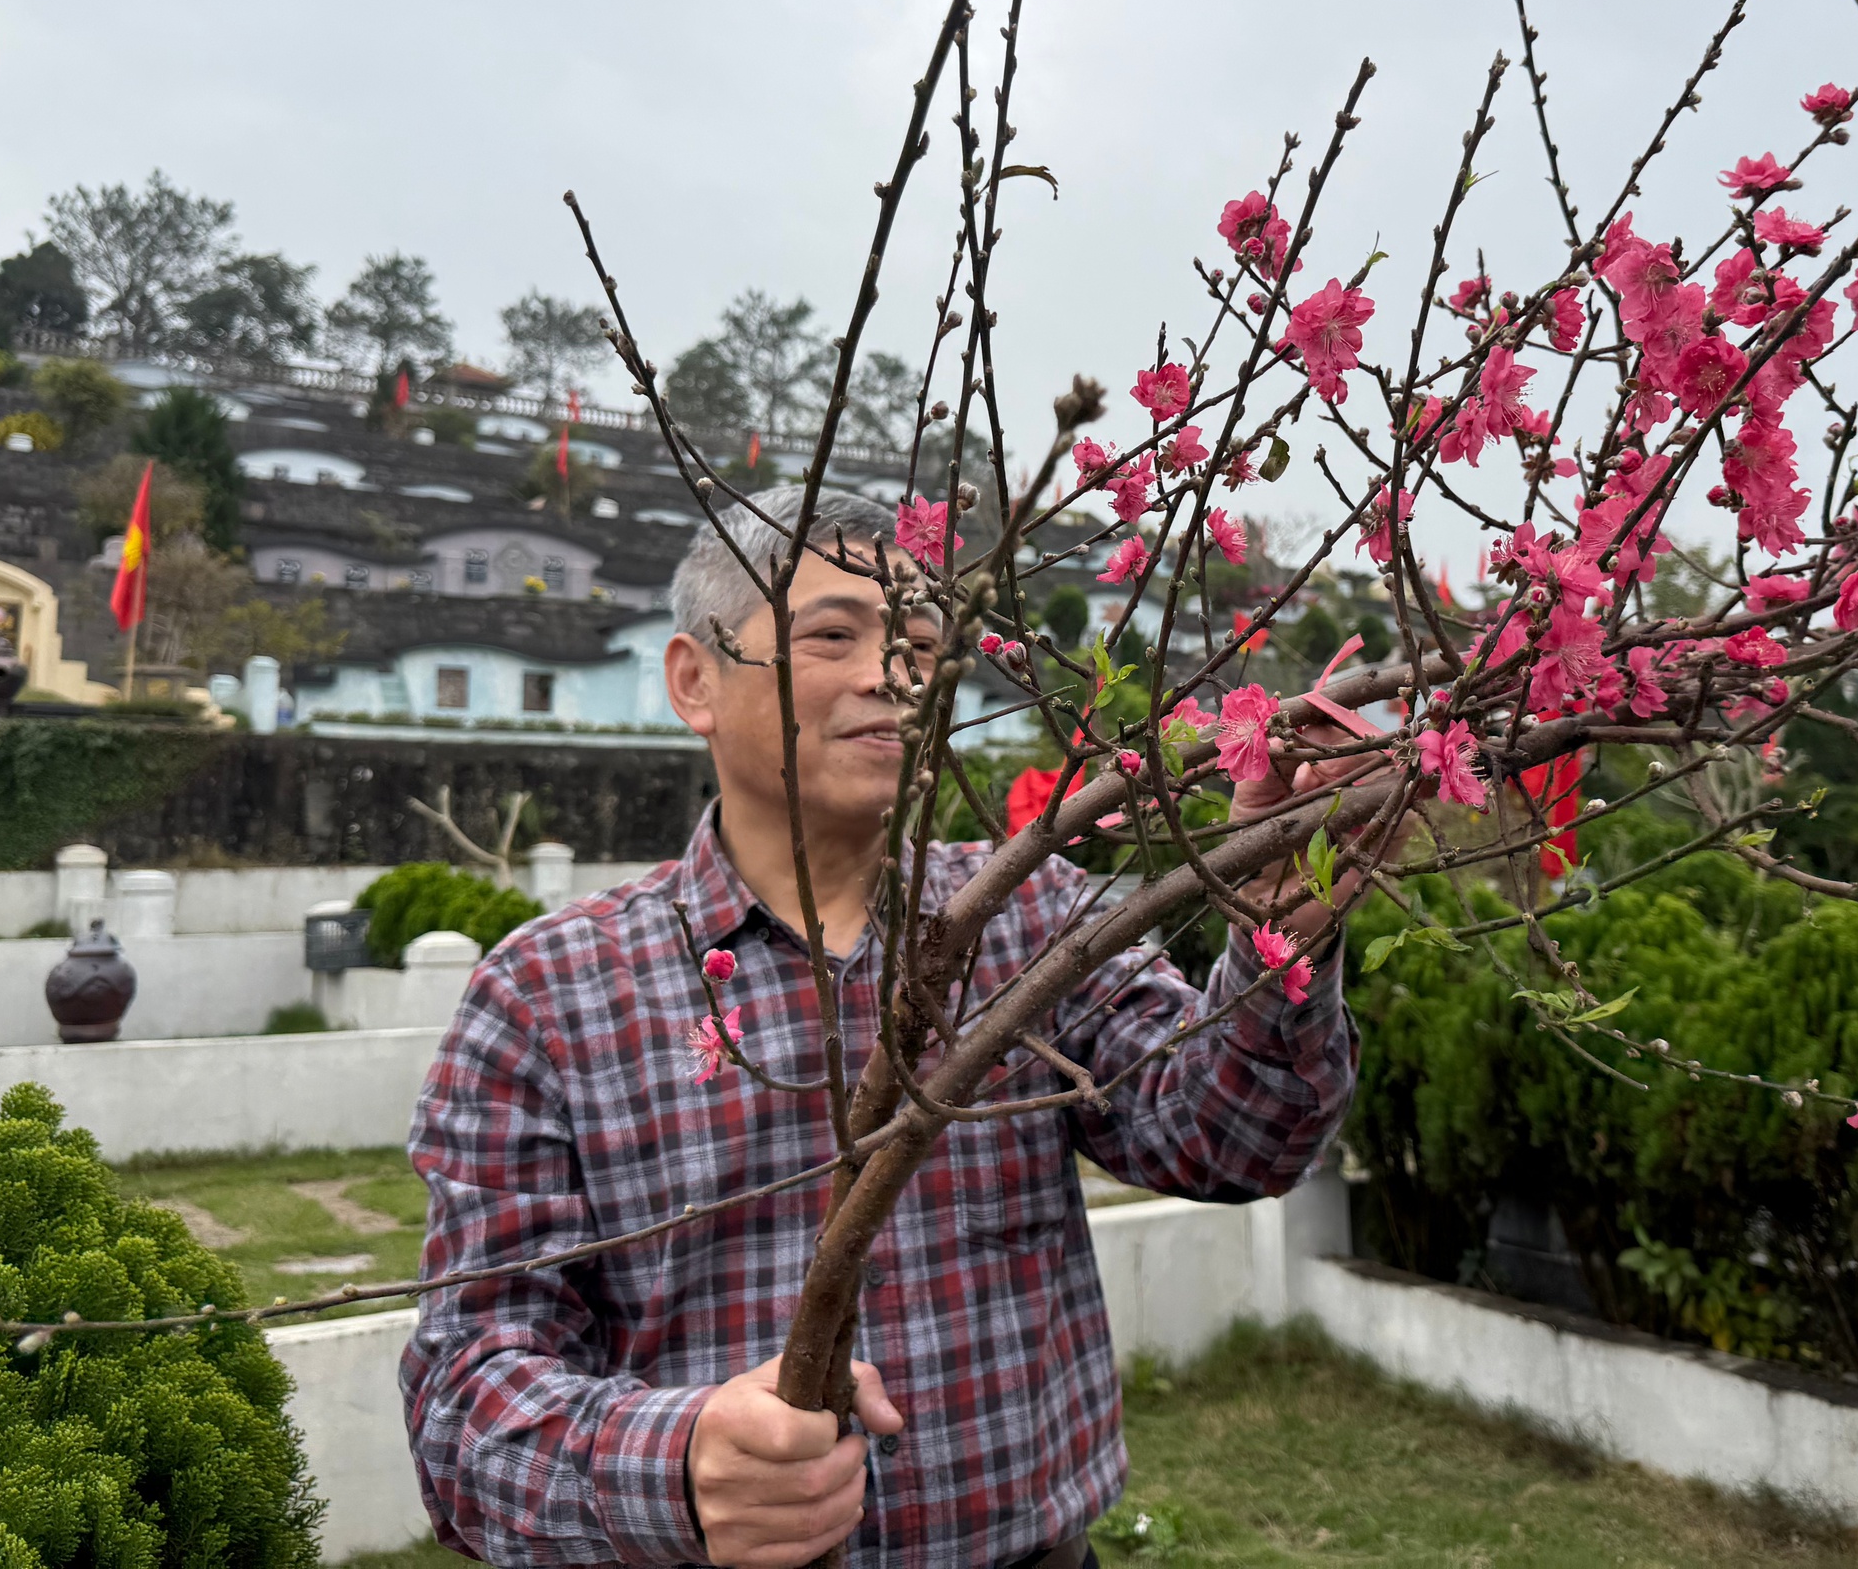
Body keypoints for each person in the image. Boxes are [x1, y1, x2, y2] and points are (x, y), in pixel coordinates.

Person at [402, 485, 1360, 1568]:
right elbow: (465, 1393)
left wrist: (1283, 929)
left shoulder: (1033, 921)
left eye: (914, 641)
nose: (888, 675)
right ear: (693, 682)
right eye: (830, 636)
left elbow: (1235, 1138)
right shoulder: (547, 996)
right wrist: (673, 1465)